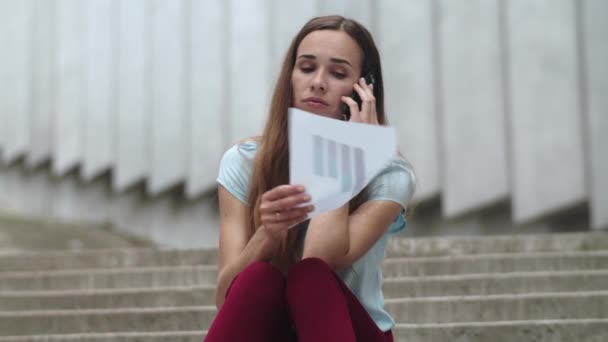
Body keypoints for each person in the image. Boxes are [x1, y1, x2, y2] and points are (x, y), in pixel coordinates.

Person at [205, 15, 416, 342]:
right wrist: (268, 235)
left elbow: (319, 259)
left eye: (338, 73)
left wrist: (346, 161)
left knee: (310, 277)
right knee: (258, 276)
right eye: (306, 68)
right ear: (289, 77)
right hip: (271, 330)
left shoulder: (389, 173)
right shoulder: (243, 162)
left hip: (350, 332)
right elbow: (225, 298)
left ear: (363, 90)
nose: (318, 82)